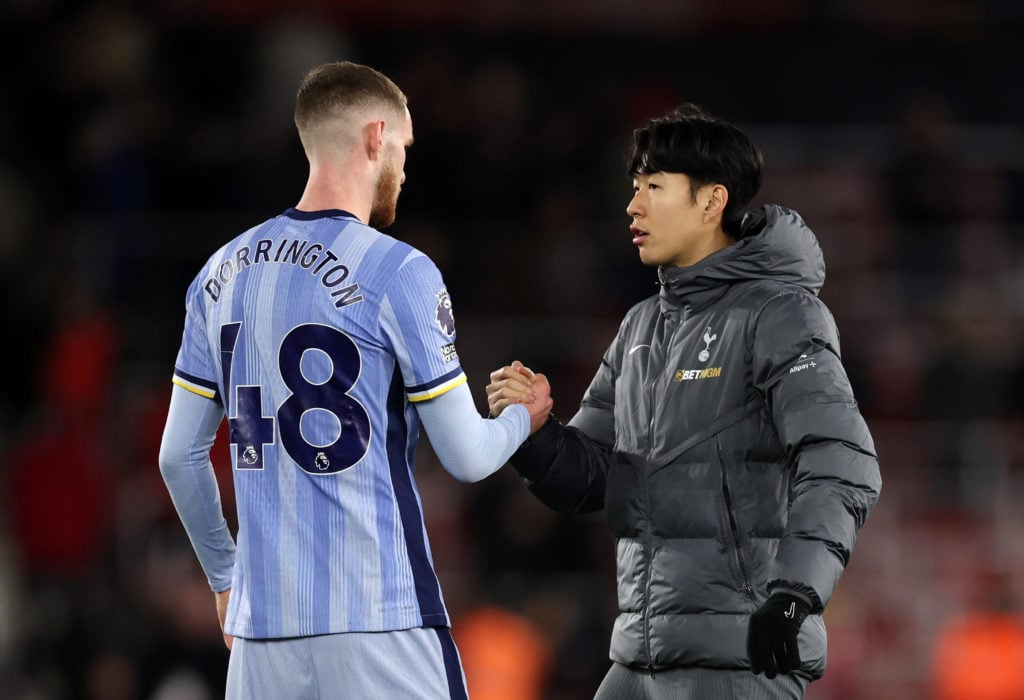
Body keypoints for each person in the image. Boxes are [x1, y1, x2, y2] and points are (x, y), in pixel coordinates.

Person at [157, 60, 534, 700]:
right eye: (406, 149)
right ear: (376, 137)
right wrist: (527, 414)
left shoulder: (218, 275)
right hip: (378, 623)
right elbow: (468, 457)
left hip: (260, 640)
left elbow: (177, 457)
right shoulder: (399, 271)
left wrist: (226, 581)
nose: (406, 169)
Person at [487, 103, 882, 699]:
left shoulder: (781, 314)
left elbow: (842, 464)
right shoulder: (640, 327)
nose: (633, 205)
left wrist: (796, 594)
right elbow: (591, 480)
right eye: (634, 186)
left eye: (654, 186)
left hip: (739, 662)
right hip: (638, 656)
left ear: (711, 201)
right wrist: (538, 432)